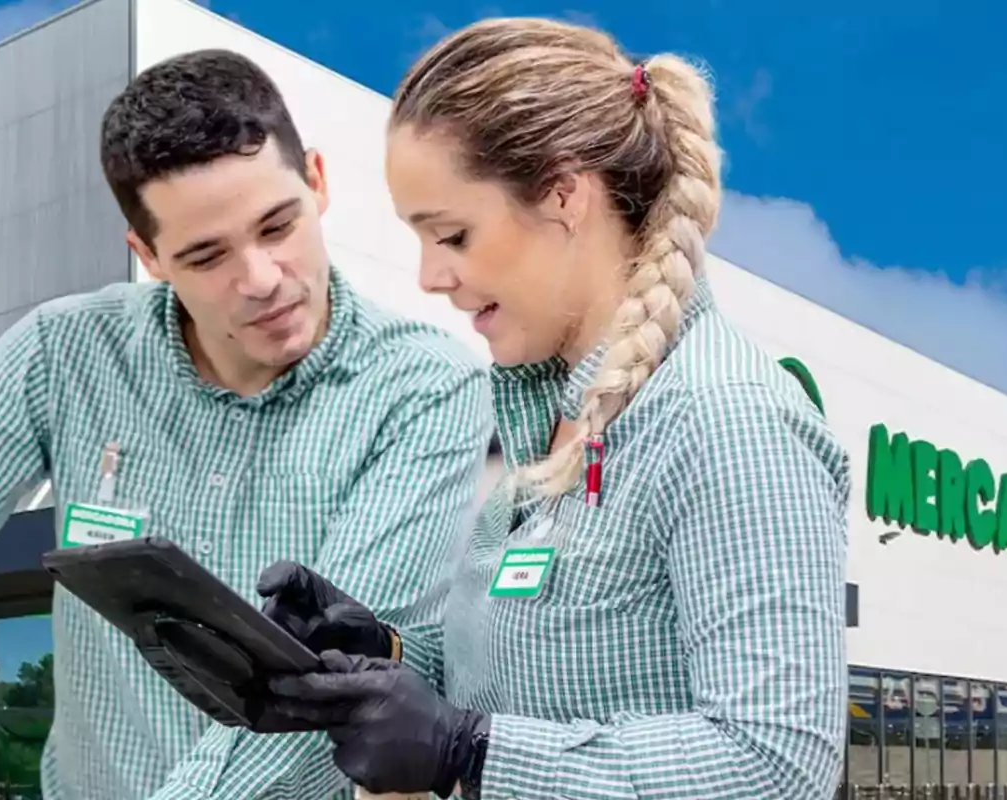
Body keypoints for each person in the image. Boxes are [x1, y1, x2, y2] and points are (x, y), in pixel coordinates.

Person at [255, 16, 852, 800]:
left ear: (566, 195)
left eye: (453, 235)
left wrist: (467, 755)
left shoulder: (727, 422)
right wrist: (385, 652)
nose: (431, 276)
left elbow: (775, 763)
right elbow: (519, 680)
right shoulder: (549, 432)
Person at [0, 49, 491, 800]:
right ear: (149, 256)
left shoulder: (426, 386)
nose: (261, 280)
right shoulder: (59, 353)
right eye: (206, 255)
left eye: (278, 225)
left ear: (317, 182)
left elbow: (330, 694)